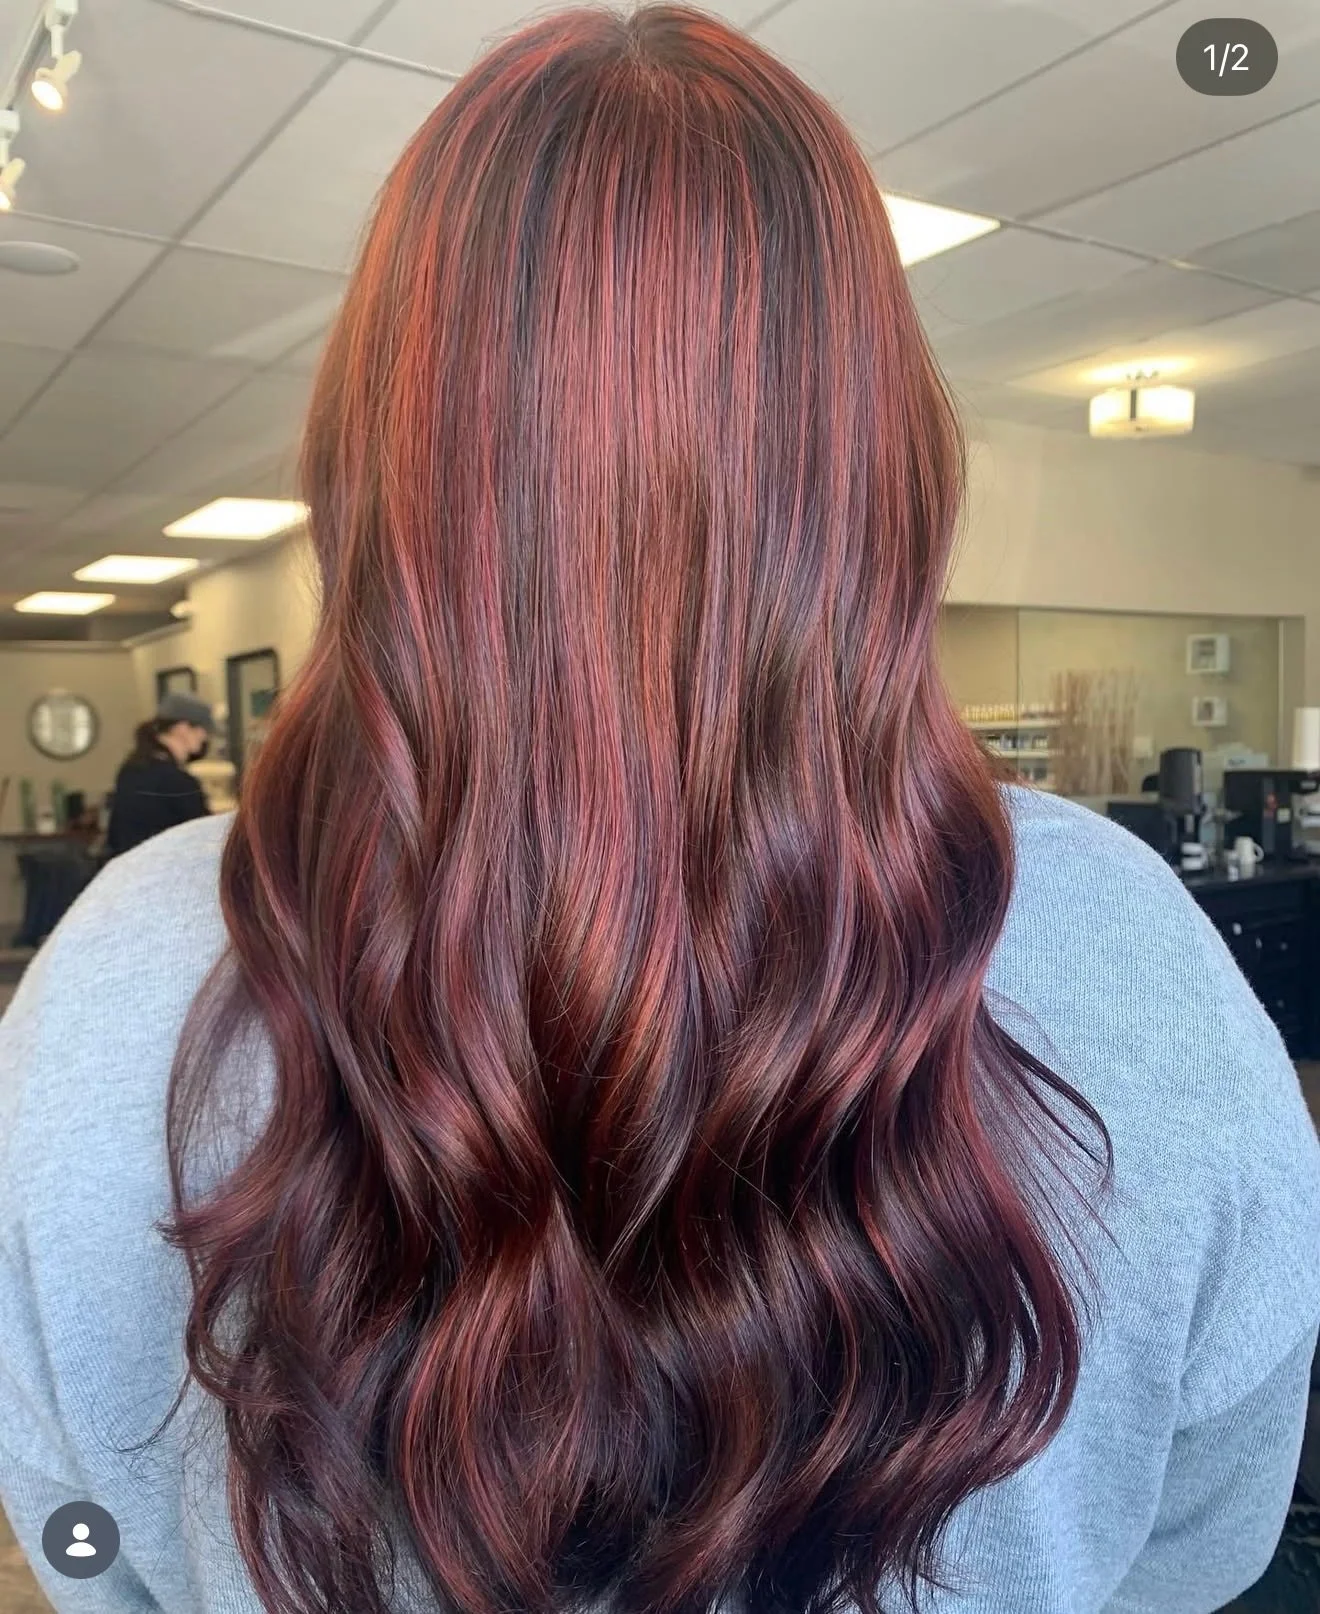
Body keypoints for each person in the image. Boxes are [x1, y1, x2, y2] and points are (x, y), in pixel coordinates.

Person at [1, 9, 1319, 1614]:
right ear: (877, 463)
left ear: (375, 461)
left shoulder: (114, 975)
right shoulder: (1124, 940)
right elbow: (1198, 1540)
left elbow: (93, 1546)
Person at [104, 692, 213, 857]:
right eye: (201, 729)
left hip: (129, 868)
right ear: (181, 728)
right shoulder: (177, 781)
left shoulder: (131, 768)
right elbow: (203, 837)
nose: (204, 736)